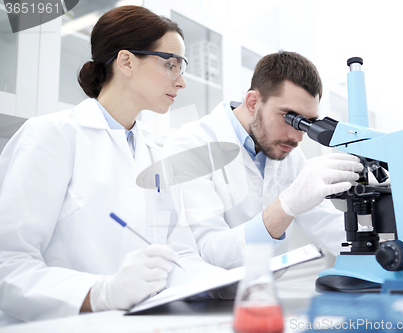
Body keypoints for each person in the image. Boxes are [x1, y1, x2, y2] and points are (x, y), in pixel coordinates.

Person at [0, 5, 224, 326]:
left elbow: (177, 252)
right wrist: (99, 293)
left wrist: (222, 283)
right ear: (127, 61)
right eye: (171, 65)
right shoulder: (52, 136)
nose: (181, 81)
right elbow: (8, 264)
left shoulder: (154, 154)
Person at [163, 51, 364, 269]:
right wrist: (286, 206)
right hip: (208, 299)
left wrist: (383, 251)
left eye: (307, 123)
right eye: (290, 118)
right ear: (252, 103)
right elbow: (208, 252)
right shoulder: (190, 146)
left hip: (264, 292)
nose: (297, 137)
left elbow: (326, 222)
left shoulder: (288, 151)